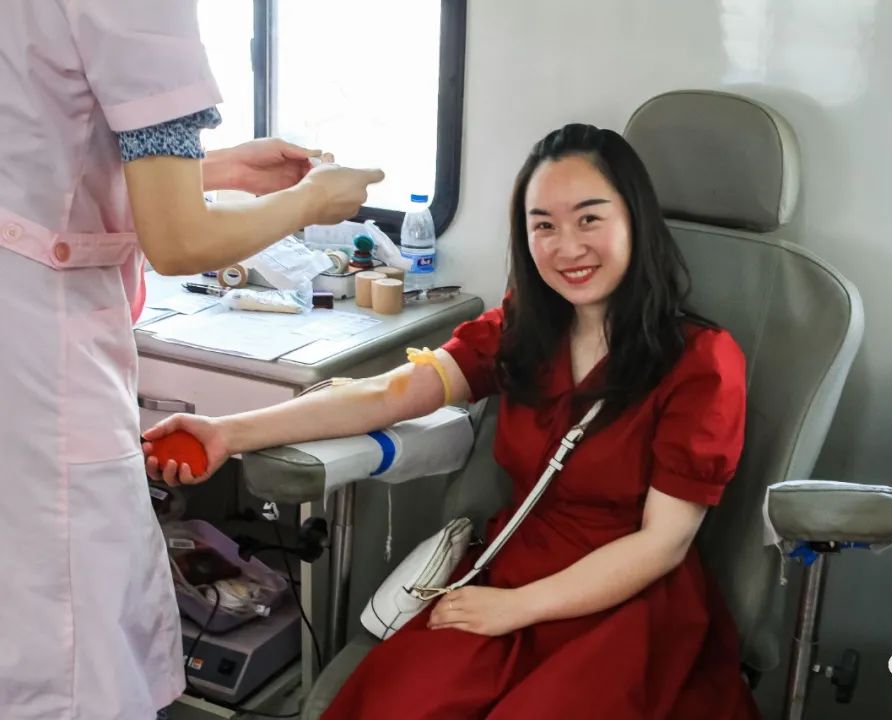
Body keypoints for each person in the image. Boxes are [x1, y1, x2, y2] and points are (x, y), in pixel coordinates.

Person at [145, 123, 761, 719]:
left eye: (589, 219)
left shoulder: (701, 362)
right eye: (543, 225)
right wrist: (230, 432)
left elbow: (662, 544)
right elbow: (389, 394)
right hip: (511, 567)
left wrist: (518, 608)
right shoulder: (525, 330)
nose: (566, 247)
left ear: (635, 221)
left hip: (626, 605)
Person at [0, 2, 383, 719]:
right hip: (36, 359)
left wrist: (218, 168)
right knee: (71, 649)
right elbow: (178, 239)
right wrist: (312, 201)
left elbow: (48, 155)